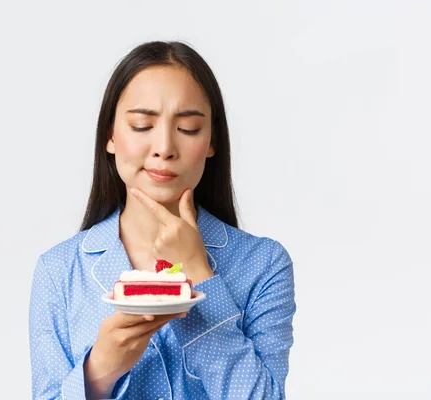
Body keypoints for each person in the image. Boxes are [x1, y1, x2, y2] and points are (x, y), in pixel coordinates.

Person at [29, 41, 296, 400]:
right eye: (142, 125)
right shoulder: (59, 271)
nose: (164, 147)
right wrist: (97, 373)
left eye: (187, 128)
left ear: (212, 141)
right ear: (110, 135)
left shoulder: (262, 265)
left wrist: (199, 273)